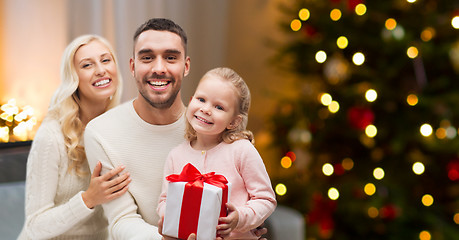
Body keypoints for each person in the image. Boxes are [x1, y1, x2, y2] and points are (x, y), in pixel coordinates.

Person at [84, 18, 268, 240]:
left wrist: (244, 224)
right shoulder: (101, 132)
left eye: (171, 57)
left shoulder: (211, 127)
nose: (159, 68)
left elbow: (256, 198)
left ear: (186, 66)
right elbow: (122, 219)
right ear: (133, 66)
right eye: (147, 57)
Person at [18, 34, 131, 240]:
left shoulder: (121, 127)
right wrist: (88, 199)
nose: (100, 70)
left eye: (106, 60)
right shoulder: (52, 135)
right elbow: (34, 227)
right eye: (87, 65)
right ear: (74, 78)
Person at [157, 67, 276, 239]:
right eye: (201, 99)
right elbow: (164, 201)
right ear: (191, 101)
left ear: (234, 121)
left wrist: (240, 217)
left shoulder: (241, 151)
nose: (206, 109)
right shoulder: (175, 156)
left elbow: (266, 199)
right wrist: (168, 217)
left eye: (219, 107)